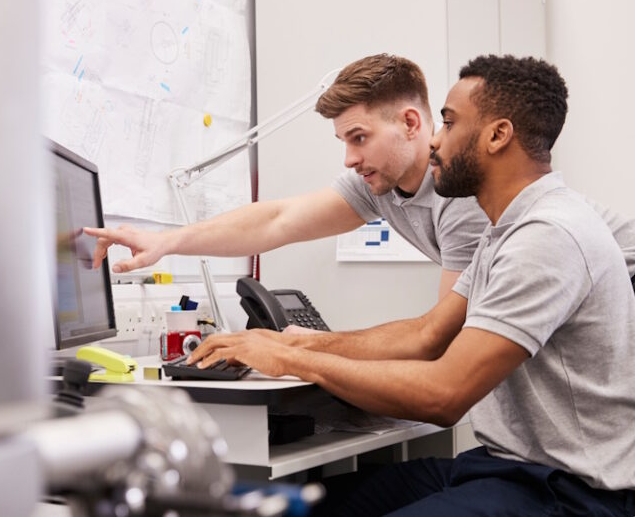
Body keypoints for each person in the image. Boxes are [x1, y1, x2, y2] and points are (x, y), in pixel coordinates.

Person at [188, 55, 635, 516]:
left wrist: (291, 359)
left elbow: (443, 395)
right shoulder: (506, 230)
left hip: (572, 492)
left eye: (448, 122)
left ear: (498, 135)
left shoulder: (546, 237)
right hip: (505, 466)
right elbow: (425, 335)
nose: (435, 139)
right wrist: (304, 346)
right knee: (303, 508)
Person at [85, 53, 635, 304]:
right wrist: (167, 241)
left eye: (358, 137)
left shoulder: (463, 194)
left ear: (410, 123)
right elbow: (277, 221)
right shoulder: (383, 183)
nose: (350, 159)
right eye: (344, 142)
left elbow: (440, 337)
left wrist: (304, 353)